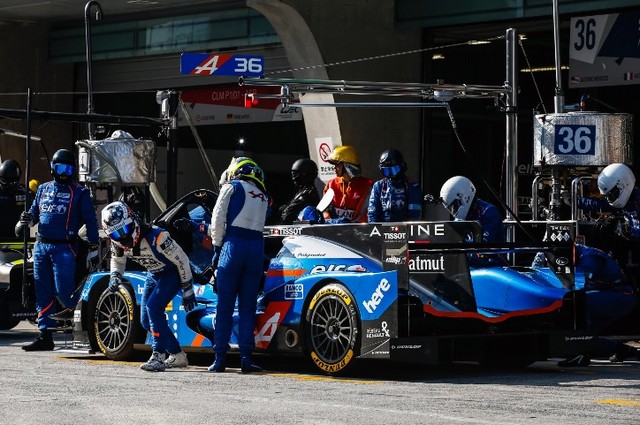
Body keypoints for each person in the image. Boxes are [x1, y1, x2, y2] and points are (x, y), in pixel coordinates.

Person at [15, 149, 100, 351]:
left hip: (65, 247)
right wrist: (23, 221)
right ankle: (46, 335)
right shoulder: (43, 189)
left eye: (68, 168)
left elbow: (91, 221)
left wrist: (95, 246)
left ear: (73, 170)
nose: (63, 172)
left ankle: (86, 329)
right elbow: (33, 216)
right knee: (42, 291)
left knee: (64, 292)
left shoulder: (80, 193)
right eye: (59, 168)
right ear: (53, 168)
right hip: (41, 246)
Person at [102, 200, 197, 372]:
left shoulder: (158, 237)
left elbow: (182, 259)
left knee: (153, 308)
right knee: (146, 321)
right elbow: (117, 261)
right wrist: (115, 277)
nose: (122, 237)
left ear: (133, 220)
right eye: (116, 234)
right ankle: (177, 355)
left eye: (124, 230)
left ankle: (158, 355)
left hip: (171, 273)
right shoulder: (118, 243)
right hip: (153, 275)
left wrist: (187, 289)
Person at [208, 157, 269, 373]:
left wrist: (217, 248)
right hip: (256, 249)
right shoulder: (264, 197)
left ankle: (220, 358)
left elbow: (217, 218)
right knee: (247, 306)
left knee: (224, 304)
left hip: (233, 246)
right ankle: (246, 358)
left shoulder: (231, 187)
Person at [439, 175, 505, 243]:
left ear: (465, 198)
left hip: (489, 253)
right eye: (450, 208)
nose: (453, 211)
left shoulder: (489, 211)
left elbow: (484, 242)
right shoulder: (460, 218)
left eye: (454, 206)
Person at [368, 148, 422, 222]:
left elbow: (414, 217)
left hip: (405, 229)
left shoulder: (412, 187)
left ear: (402, 166)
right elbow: (372, 214)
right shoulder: (378, 186)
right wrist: (377, 231)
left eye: (394, 170)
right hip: (381, 230)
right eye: (387, 171)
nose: (391, 174)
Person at [323, 145, 373, 223]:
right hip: (334, 232)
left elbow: (367, 217)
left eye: (337, 165)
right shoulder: (331, 184)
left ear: (347, 166)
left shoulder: (367, 187)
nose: (334, 168)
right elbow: (324, 211)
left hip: (358, 233)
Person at [278, 158, 321, 224]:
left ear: (304, 174)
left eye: (295, 174)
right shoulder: (303, 192)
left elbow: (288, 214)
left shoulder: (307, 194)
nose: (294, 178)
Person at [0, 159, 29, 240]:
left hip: (19, 241)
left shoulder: (25, 194)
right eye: (4, 181)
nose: (8, 185)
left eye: (12, 181)